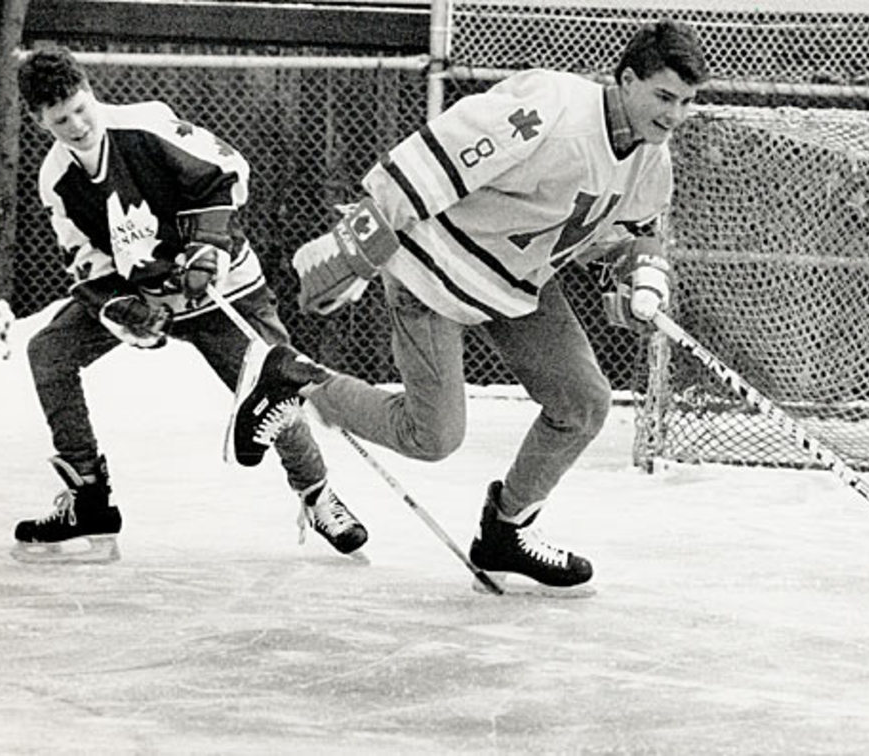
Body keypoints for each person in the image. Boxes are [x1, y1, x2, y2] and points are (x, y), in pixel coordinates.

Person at [226, 20, 709, 593]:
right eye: (664, 97)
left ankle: (506, 532)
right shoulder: (552, 107)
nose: (675, 114)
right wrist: (356, 245)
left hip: (517, 285)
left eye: (686, 102)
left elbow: (611, 239)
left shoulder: (653, 163)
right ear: (626, 80)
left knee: (582, 403)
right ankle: (295, 379)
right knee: (432, 437)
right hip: (435, 271)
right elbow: (435, 160)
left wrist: (636, 270)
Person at [12, 46, 368, 563]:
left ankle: (318, 496)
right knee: (49, 351)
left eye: (81, 109)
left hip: (223, 290)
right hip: (149, 295)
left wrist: (205, 247)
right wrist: (121, 308)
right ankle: (87, 497)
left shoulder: (145, 125)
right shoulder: (56, 179)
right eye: (61, 120)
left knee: (275, 390)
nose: (78, 125)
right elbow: (84, 258)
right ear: (39, 121)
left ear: (89, 91)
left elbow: (224, 170)